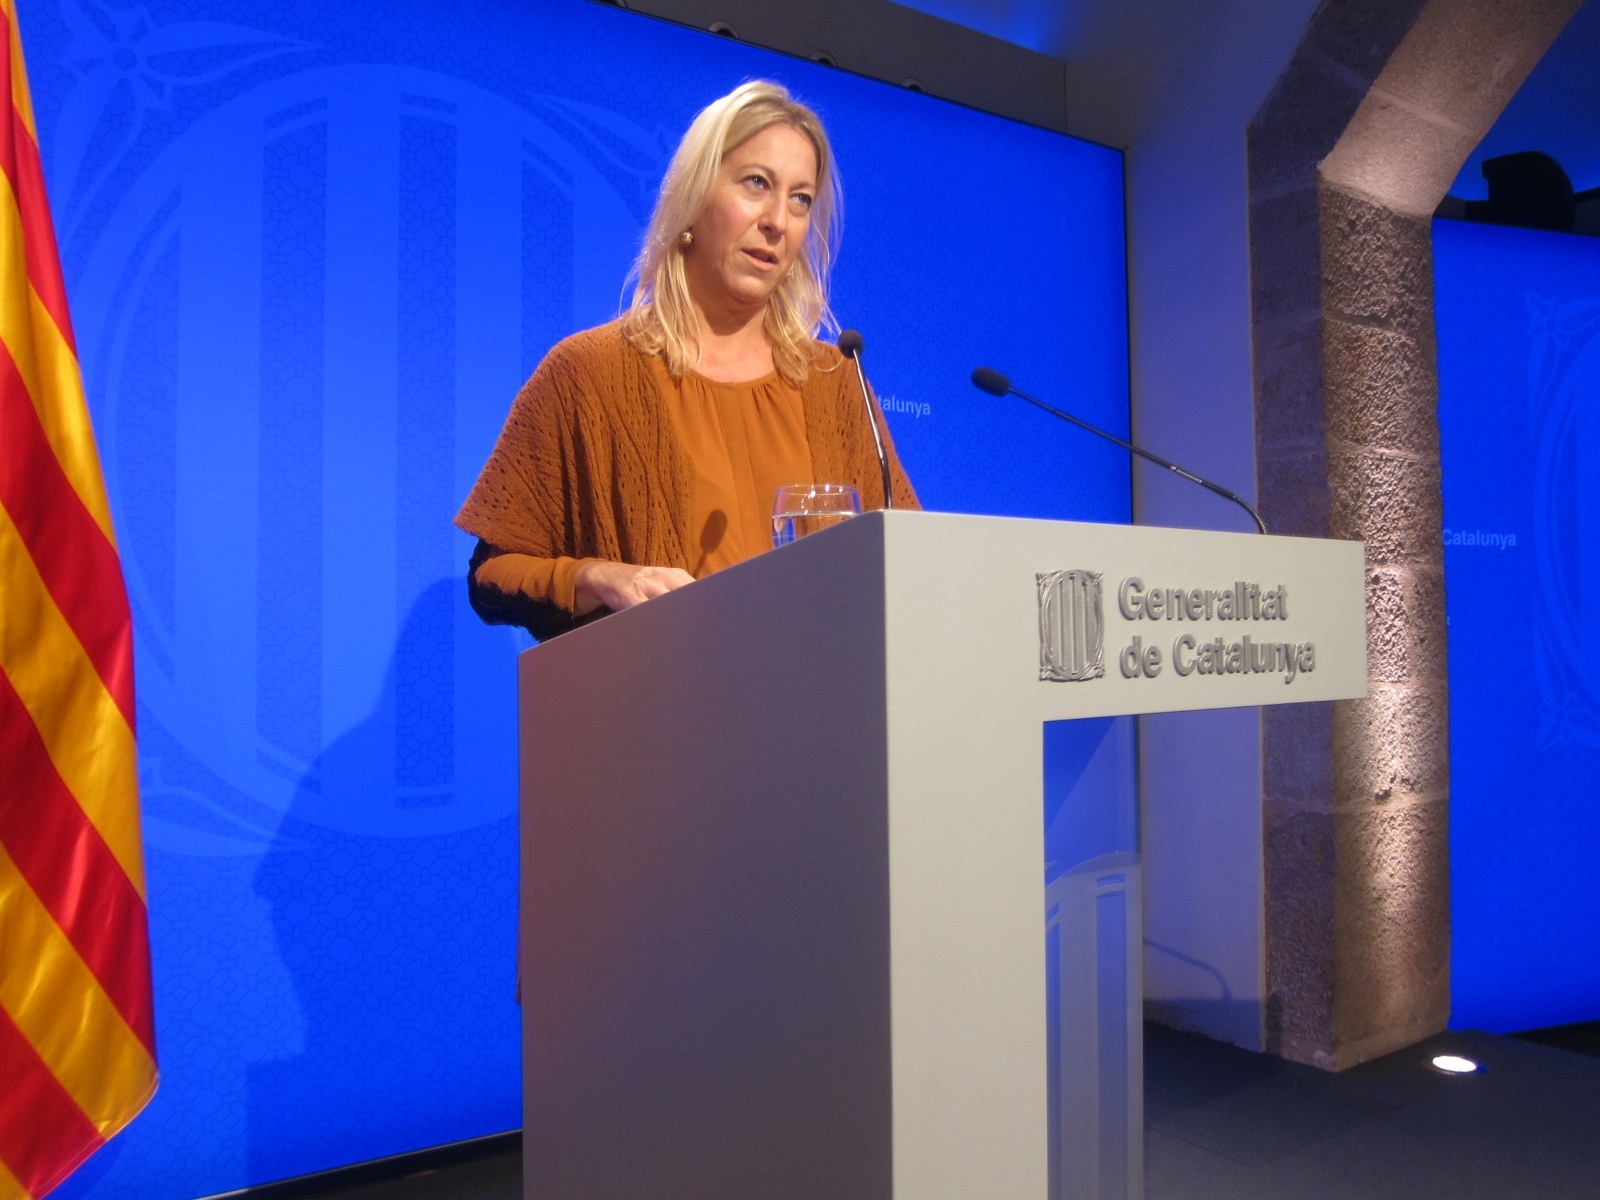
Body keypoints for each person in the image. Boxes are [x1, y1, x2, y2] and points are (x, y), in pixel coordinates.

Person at [454, 80, 918, 641]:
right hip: (661, 694)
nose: (778, 220)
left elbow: (912, 560)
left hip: (826, 691)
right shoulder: (588, 373)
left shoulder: (835, 380)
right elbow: (491, 576)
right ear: (695, 196)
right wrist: (599, 577)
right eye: (757, 183)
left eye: (800, 198)